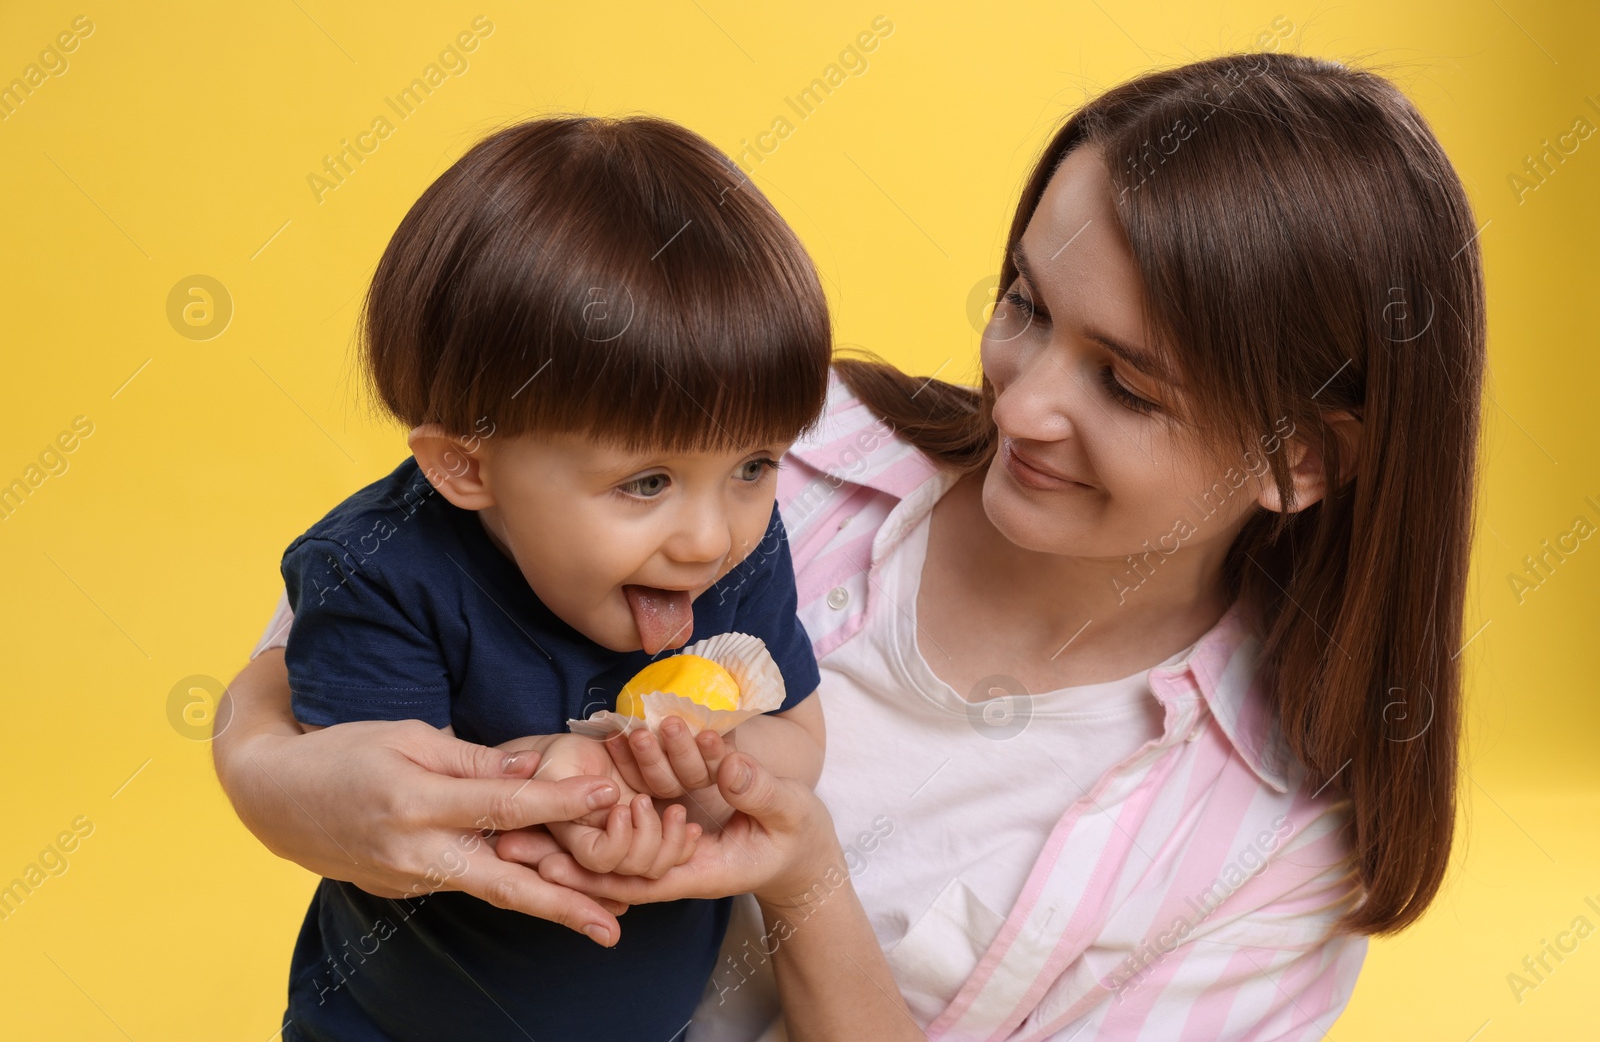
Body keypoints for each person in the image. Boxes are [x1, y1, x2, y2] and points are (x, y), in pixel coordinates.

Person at [215, 53, 1485, 1039]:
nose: (1023, 401)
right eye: (1027, 307)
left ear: (1299, 460)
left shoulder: (1262, 854)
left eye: (1129, 387)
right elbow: (358, 611)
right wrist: (273, 779)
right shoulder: (763, 437)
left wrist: (803, 874)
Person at [249, 114, 833, 1041]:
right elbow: (383, 825)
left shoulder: (740, 549)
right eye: (647, 482)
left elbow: (797, 733)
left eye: (755, 464)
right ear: (466, 467)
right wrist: (560, 782)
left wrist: (718, 770)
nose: (709, 537)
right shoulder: (379, 573)